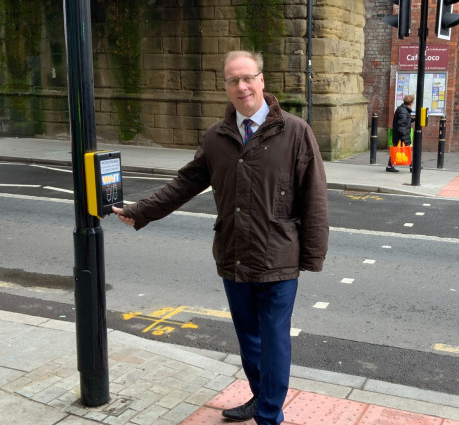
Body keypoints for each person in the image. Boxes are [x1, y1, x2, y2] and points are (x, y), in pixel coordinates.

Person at [112, 50, 329, 425]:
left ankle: (268, 416)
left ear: (262, 80)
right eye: (233, 80)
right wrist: (140, 211)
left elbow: (315, 196)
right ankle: (260, 397)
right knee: (249, 338)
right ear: (226, 87)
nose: (241, 87)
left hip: (278, 257)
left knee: (274, 340)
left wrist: (311, 256)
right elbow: (186, 182)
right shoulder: (216, 136)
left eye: (248, 78)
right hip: (233, 254)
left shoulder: (294, 132)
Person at [386, 94, 415, 172]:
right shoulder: (404, 111)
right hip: (401, 135)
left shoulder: (402, 109)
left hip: (398, 135)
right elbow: (401, 125)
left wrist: (413, 119)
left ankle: (389, 166)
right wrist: (404, 137)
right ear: (411, 103)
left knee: (396, 149)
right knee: (407, 150)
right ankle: (412, 167)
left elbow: (404, 121)